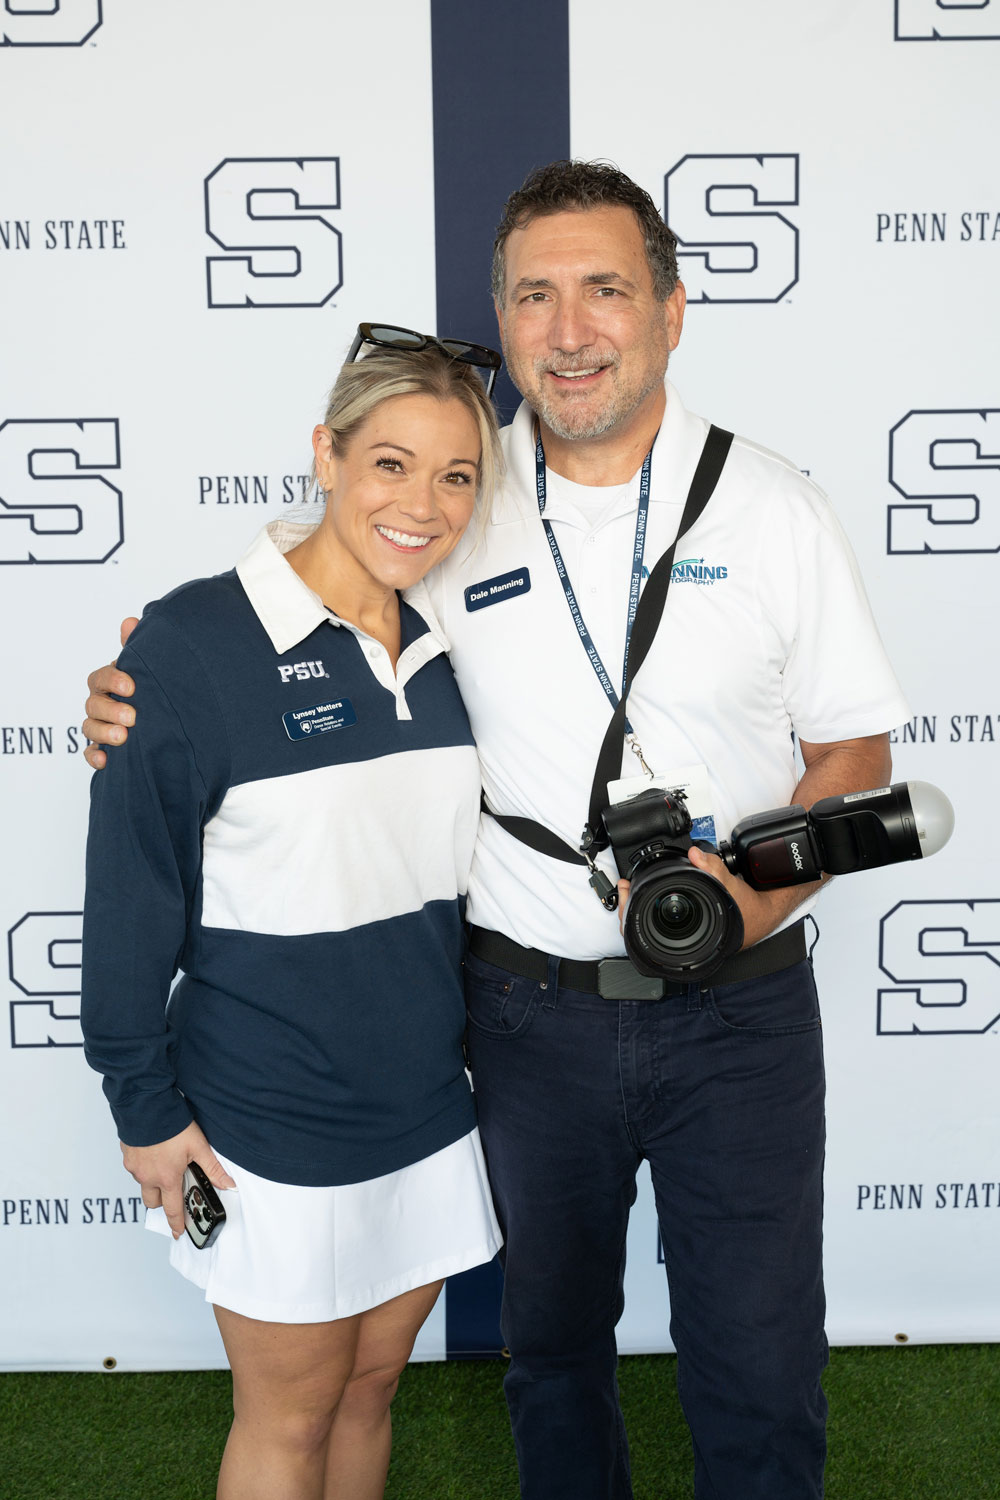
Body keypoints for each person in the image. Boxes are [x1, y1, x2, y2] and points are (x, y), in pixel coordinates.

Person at [84, 162, 910, 1500]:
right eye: (535, 295)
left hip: (742, 1018)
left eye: (604, 290)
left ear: (673, 311)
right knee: (554, 1358)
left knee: (758, 1366)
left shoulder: (774, 508)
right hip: (527, 1018)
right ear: (503, 319)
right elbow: (310, 608)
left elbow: (856, 756)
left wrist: (747, 897)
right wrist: (149, 681)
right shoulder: (455, 495)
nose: (570, 329)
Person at [80, 333, 505, 1500]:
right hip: (268, 1122)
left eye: (456, 475)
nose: (421, 504)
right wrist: (142, 1105)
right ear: (324, 454)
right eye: (389, 462)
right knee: (289, 1414)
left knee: (372, 1392)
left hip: (425, 1105)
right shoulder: (189, 645)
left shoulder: (453, 643)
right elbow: (130, 896)